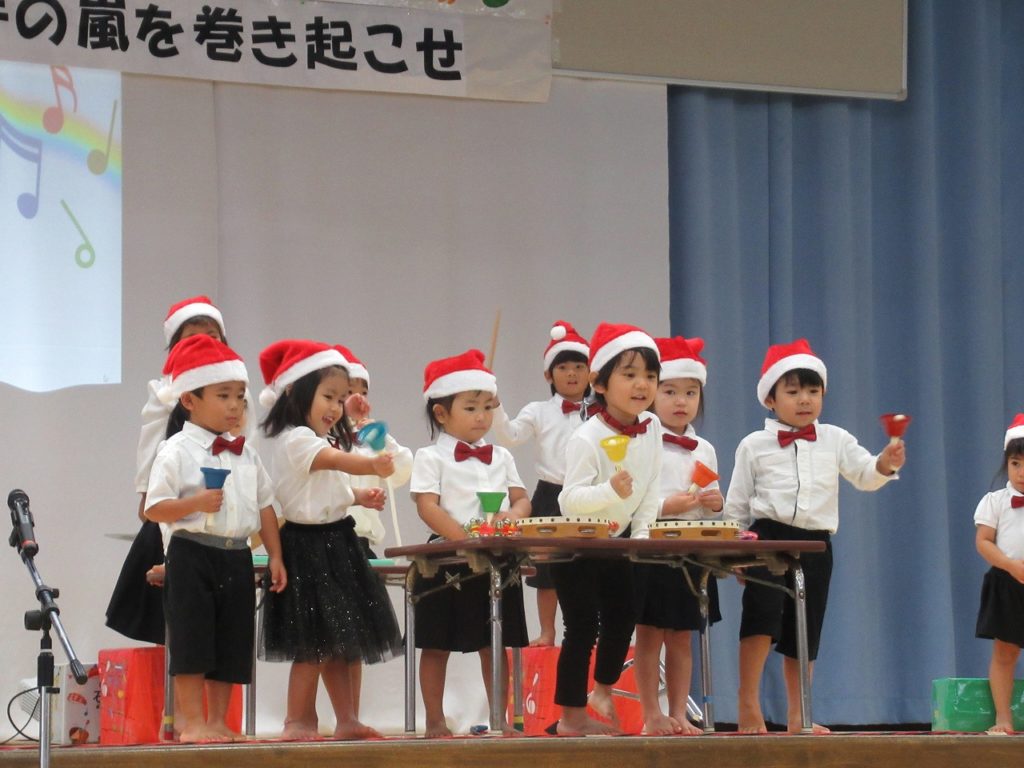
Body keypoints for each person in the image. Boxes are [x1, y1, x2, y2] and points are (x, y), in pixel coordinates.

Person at [723, 338, 905, 734]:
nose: (804, 399)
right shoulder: (753, 445)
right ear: (770, 399)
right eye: (792, 392)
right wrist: (735, 552)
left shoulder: (836, 438)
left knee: (805, 628)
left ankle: (798, 713)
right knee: (761, 619)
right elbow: (736, 503)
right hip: (766, 540)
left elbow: (864, 475)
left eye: (812, 390)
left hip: (816, 542)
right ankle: (748, 703)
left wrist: (884, 464)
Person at [257, 339, 403, 741]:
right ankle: (296, 720)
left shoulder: (318, 439)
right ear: (295, 393)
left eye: (341, 399)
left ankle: (347, 719)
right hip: (308, 547)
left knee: (343, 640)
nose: (336, 407)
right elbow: (336, 461)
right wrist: (370, 463)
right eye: (329, 396)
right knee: (315, 642)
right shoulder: (297, 439)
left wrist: (357, 496)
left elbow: (324, 487)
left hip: (338, 541)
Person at [144, 334, 286, 743]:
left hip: (236, 555)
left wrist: (275, 556)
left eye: (240, 396)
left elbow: (266, 507)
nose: (234, 406)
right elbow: (154, 508)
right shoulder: (175, 450)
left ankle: (220, 721)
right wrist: (195, 502)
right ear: (189, 399)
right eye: (223, 396)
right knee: (192, 638)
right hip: (191, 554)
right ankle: (191, 722)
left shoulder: (247, 453)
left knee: (232, 639)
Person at [410, 349, 531, 737]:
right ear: (441, 413)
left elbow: (522, 499)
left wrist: (512, 518)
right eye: (471, 407)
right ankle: (434, 721)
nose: (482, 416)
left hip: (496, 555)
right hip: (446, 557)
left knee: (496, 642)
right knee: (436, 643)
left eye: (487, 407)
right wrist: (463, 539)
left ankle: (499, 718)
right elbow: (427, 506)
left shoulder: (502, 456)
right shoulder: (430, 456)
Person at [554, 322, 662, 736]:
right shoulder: (586, 437)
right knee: (581, 627)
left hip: (620, 543)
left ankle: (601, 691)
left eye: (650, 375)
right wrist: (608, 491)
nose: (642, 384)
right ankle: (570, 718)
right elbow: (569, 501)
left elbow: (651, 487)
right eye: (629, 374)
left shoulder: (652, 427)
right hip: (577, 545)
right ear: (599, 383)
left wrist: (643, 536)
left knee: (623, 617)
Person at [106, 295, 229, 645]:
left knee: (218, 636)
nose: (204, 342)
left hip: (222, 523)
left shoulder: (234, 393)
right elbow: (151, 444)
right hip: (176, 524)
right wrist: (147, 492)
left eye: (212, 335)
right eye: (193, 337)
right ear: (175, 347)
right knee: (178, 635)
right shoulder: (164, 395)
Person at [633, 336, 723, 735]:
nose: (680, 401)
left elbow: (709, 504)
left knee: (683, 638)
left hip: (691, 551)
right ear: (653, 394)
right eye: (669, 391)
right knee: (649, 636)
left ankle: (679, 712)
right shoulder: (640, 441)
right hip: (652, 549)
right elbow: (632, 502)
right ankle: (650, 713)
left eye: (690, 392)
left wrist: (715, 505)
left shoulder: (705, 448)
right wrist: (666, 506)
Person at [491, 321, 593, 647]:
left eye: (579, 366)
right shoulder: (538, 411)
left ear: (591, 372)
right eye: (563, 367)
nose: (572, 373)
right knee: (546, 570)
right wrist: (495, 404)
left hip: (591, 496)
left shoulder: (602, 413)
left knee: (591, 568)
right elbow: (510, 435)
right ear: (549, 375)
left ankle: (591, 632)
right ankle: (547, 631)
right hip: (550, 493)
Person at [327, 344, 413, 718]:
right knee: (324, 640)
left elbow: (402, 470)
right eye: (347, 391)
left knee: (354, 639)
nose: (356, 398)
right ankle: (310, 716)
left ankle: (351, 717)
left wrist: (377, 437)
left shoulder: (368, 438)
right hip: (325, 540)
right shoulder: (320, 437)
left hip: (359, 544)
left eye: (362, 390)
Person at [974, 413, 1024, 735]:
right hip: (1007, 583)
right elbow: (983, 541)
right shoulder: (995, 501)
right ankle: (1003, 718)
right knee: (1005, 653)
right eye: (1016, 464)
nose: (1021, 472)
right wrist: (1010, 564)